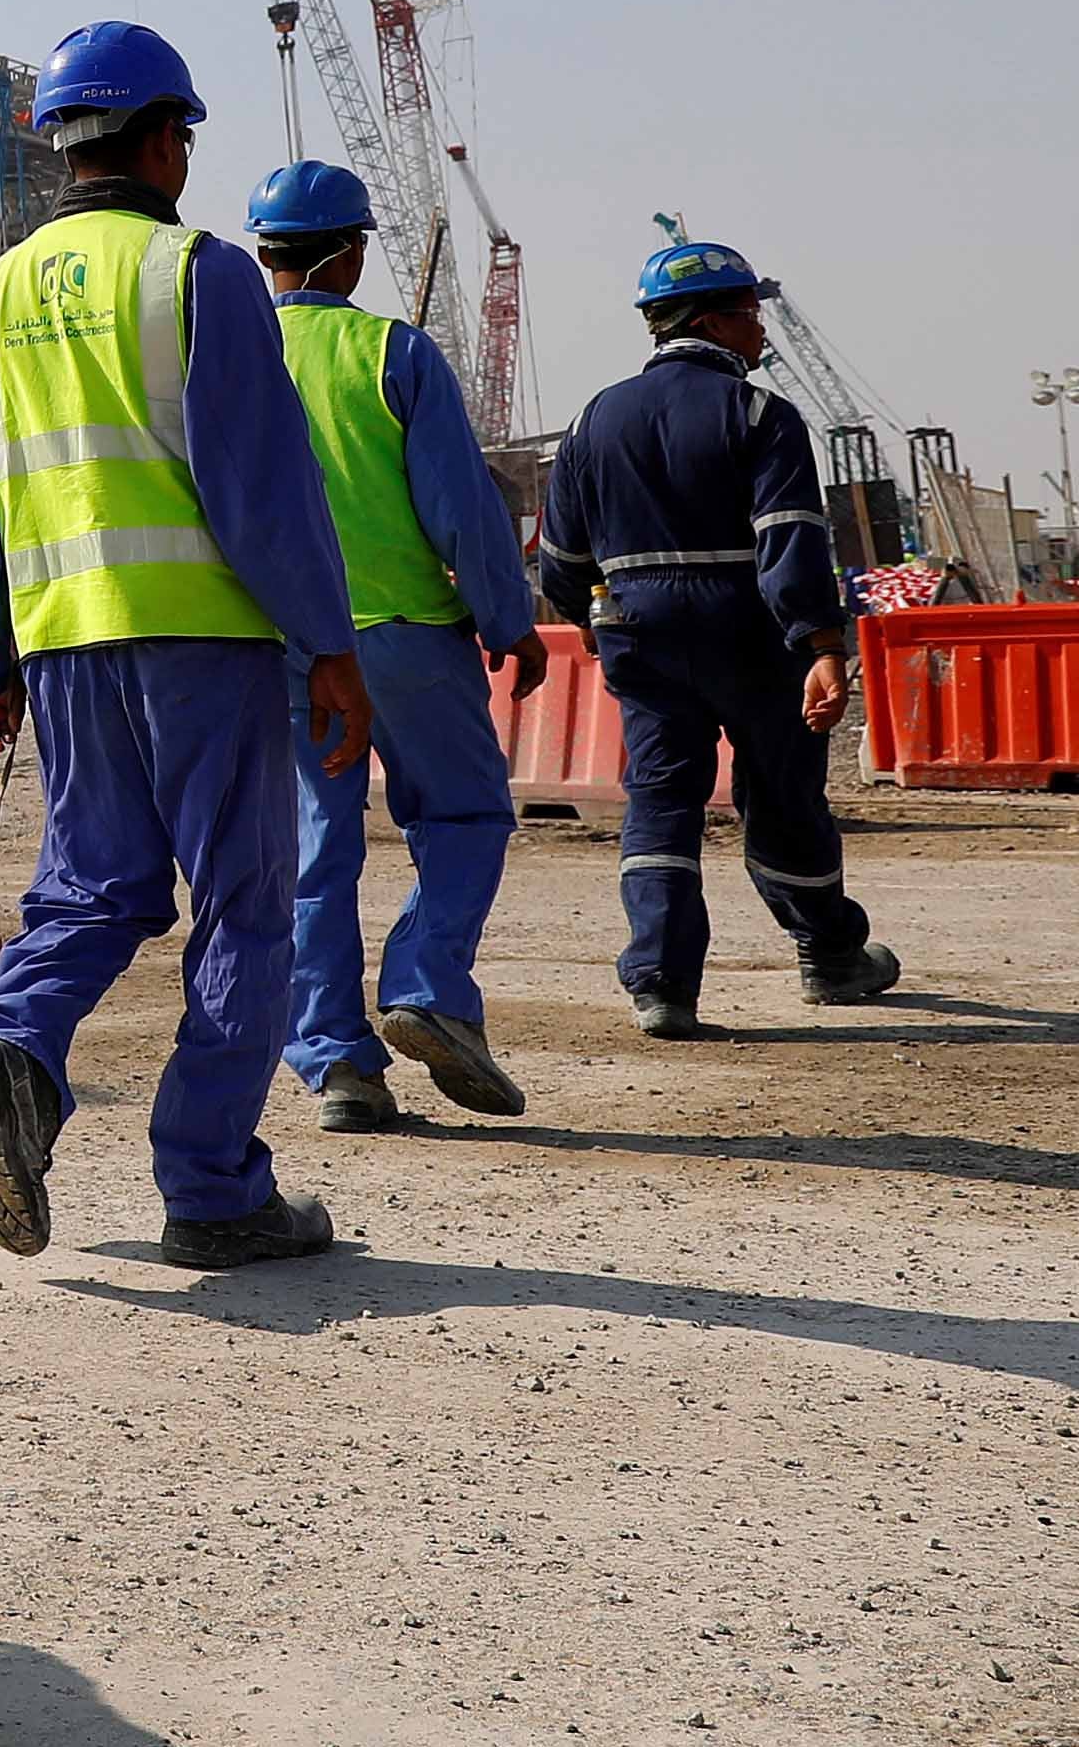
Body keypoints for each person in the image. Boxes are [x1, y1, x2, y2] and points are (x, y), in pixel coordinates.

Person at [0, 23, 373, 1271]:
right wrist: (328, 642)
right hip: (205, 640)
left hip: (64, 646)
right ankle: (213, 1185)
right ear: (167, 141)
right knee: (244, 907)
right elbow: (262, 487)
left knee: (95, 887)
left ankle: (11, 1040)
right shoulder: (199, 274)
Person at [244, 160, 548, 1130]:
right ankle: (425, 982)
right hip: (406, 637)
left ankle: (336, 1063)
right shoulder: (394, 353)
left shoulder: (225, 357)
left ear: (264, 254)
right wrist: (510, 623)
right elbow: (462, 509)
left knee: (317, 846)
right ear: (355, 253)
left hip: (279, 646)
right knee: (462, 816)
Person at [535, 240, 903, 1036]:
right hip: (750, 633)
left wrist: (589, 618)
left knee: (661, 801)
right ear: (712, 319)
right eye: (749, 313)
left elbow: (560, 557)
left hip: (639, 632)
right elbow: (791, 538)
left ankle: (662, 982)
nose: (760, 330)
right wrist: (821, 644)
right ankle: (829, 954)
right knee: (781, 792)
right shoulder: (762, 414)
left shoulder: (593, 417)